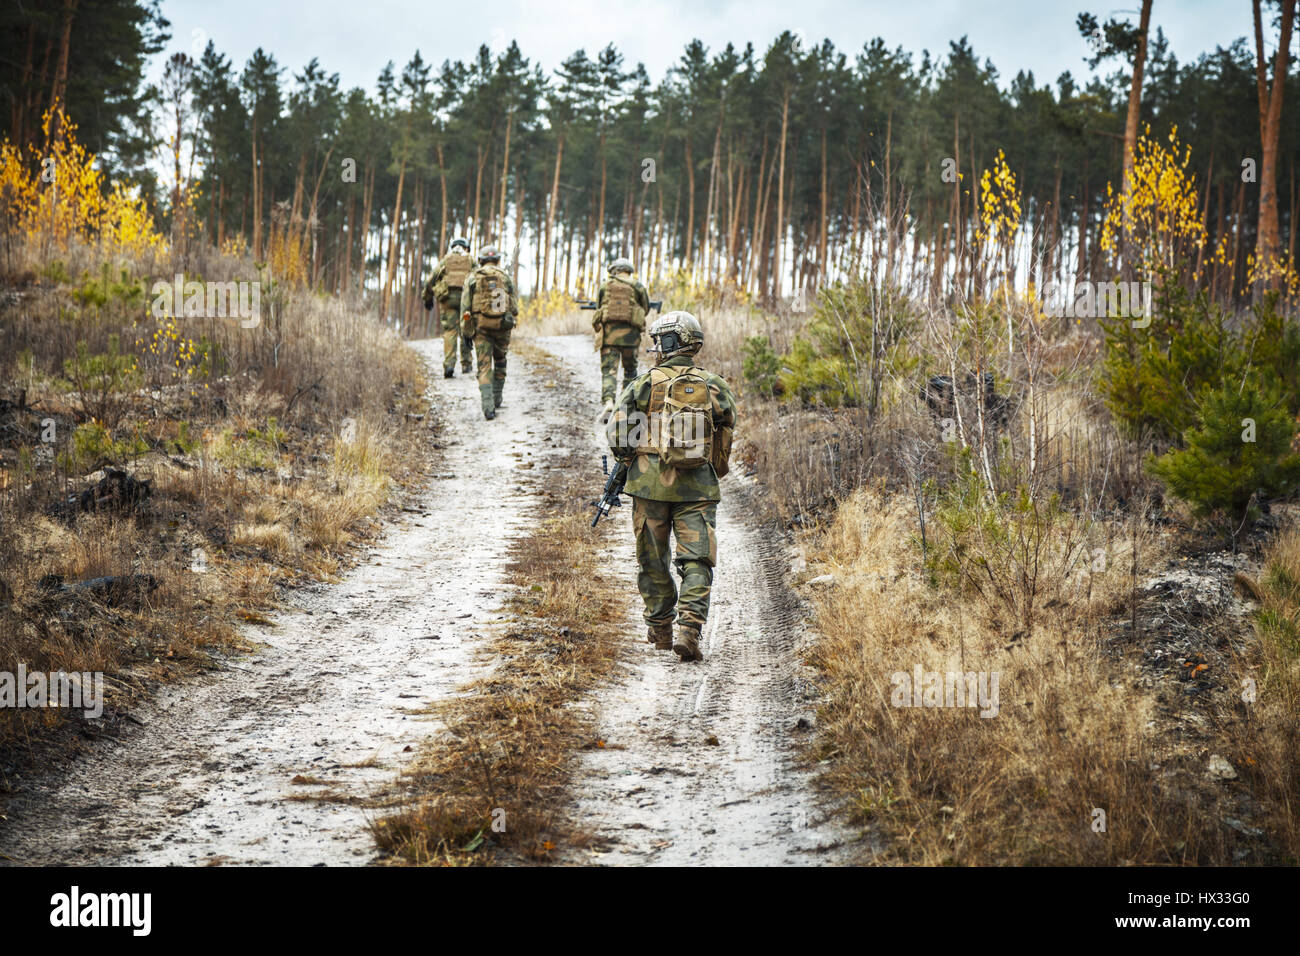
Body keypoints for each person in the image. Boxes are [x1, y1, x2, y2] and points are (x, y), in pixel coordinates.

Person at [606, 311, 737, 662]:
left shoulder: (644, 383)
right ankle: (689, 630)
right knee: (697, 559)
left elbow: (618, 435)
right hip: (697, 487)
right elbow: (728, 424)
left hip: (649, 487)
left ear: (668, 343)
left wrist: (635, 453)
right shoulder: (713, 384)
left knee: (652, 559)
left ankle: (661, 630)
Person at [460, 246, 518, 420]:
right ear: (498, 260)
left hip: (481, 328)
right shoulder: (505, 277)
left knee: (484, 367)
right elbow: (514, 308)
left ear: (481, 260)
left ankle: (488, 407)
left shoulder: (472, 277)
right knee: (500, 362)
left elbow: (465, 308)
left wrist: (466, 332)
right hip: (502, 327)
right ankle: (497, 398)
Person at [592, 256, 651, 422]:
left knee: (609, 372)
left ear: (615, 270)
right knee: (630, 372)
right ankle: (625, 407)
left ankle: (609, 402)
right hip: (631, 339)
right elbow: (645, 308)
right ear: (629, 271)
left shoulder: (605, 285)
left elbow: (599, 307)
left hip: (609, 338)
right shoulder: (638, 286)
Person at [421, 237, 475, 378]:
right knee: (465, 329)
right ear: (466, 248)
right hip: (466, 301)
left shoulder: (446, 260)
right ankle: (467, 365)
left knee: (450, 331)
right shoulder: (470, 260)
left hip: (448, 300)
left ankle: (449, 365)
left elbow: (430, 280)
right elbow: (479, 278)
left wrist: (427, 298)